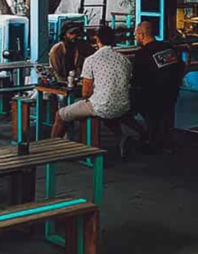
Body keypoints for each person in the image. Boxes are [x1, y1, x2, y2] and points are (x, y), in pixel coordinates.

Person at [51, 26, 136, 157]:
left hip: (101, 105)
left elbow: (86, 93)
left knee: (60, 115)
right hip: (123, 105)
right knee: (107, 113)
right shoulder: (125, 60)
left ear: (97, 39)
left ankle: (51, 149)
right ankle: (122, 137)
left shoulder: (91, 60)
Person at [129, 21, 185, 152]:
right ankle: (166, 140)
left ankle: (151, 140)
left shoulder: (142, 54)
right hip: (171, 92)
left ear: (142, 35)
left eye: (136, 34)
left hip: (152, 96)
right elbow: (179, 67)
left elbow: (137, 79)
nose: (135, 36)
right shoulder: (168, 47)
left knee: (136, 103)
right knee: (166, 114)